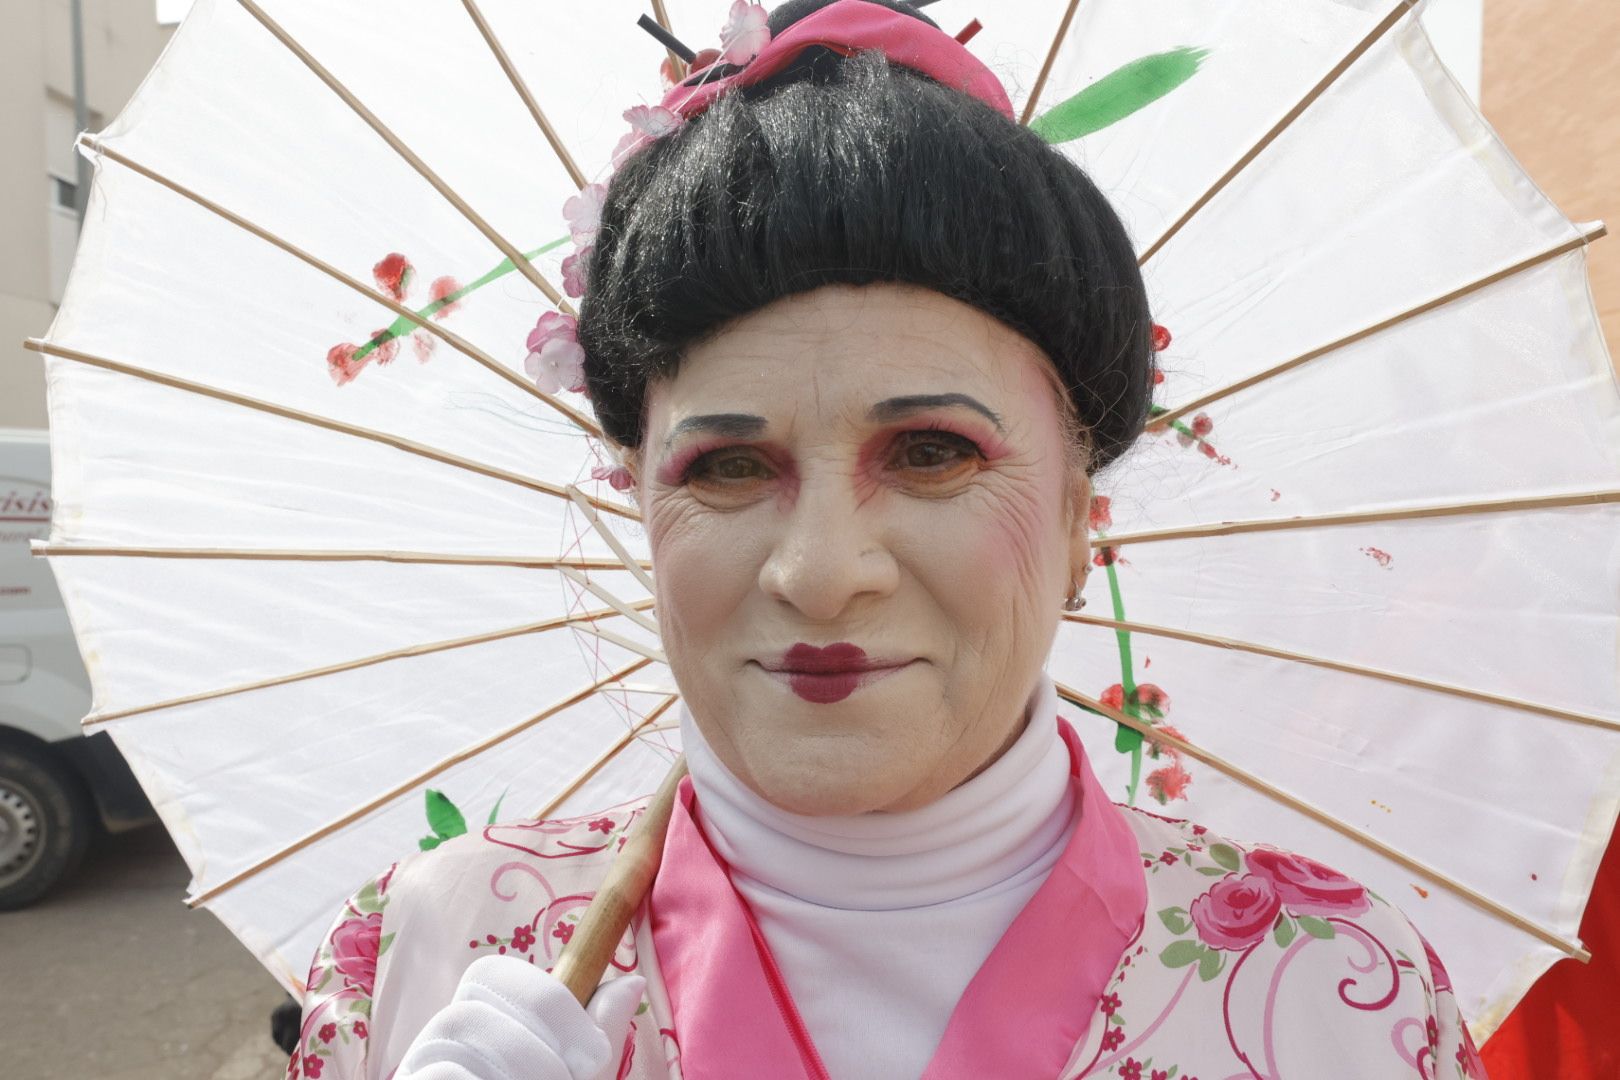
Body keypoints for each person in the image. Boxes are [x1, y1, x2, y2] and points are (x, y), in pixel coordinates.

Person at [288, 2, 1487, 1077]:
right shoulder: (431, 955)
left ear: (1079, 519)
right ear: (640, 504)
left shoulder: (1338, 996)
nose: (818, 573)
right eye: (727, 466)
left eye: (930, 454)